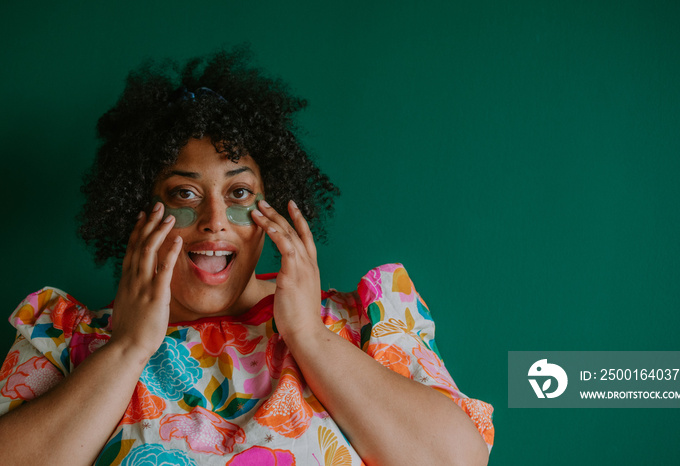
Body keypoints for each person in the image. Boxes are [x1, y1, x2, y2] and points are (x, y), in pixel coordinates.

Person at [0, 47, 494, 465]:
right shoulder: (67, 341)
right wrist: (128, 347)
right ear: (139, 212)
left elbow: (457, 458)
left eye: (238, 194)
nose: (215, 219)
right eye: (186, 194)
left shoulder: (360, 324)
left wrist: (308, 337)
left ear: (269, 212)